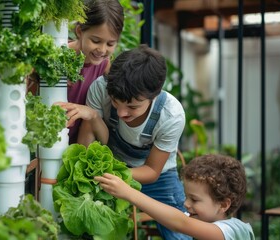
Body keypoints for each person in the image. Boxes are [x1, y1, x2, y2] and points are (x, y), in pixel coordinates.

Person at [57, 45, 191, 239]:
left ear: (154, 94)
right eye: (115, 103)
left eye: (132, 107)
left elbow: (152, 171)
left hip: (155, 176)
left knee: (179, 232)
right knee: (86, 223)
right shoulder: (101, 88)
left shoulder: (171, 115)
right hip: (109, 167)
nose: (121, 113)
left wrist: (115, 178)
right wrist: (93, 117)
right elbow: (89, 145)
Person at [95, 154, 255, 240]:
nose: (186, 203)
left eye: (195, 199)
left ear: (224, 204)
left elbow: (179, 222)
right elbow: (166, 215)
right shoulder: (200, 218)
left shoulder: (232, 232)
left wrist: (129, 193)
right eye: (186, 197)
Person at [67, 0, 124, 144]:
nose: (102, 50)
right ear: (80, 31)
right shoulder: (61, 55)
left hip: (80, 142)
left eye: (110, 44)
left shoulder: (105, 65)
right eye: (96, 41)